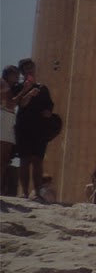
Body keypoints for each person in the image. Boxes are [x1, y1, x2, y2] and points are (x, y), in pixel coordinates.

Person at [11, 59, 56, 199]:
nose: (29, 70)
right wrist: (29, 93)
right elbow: (20, 104)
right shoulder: (18, 87)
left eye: (31, 67)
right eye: (26, 68)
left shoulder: (43, 88)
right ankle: (24, 192)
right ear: (22, 71)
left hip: (40, 128)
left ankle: (37, 192)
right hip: (24, 127)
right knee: (25, 160)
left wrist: (48, 112)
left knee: (38, 160)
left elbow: (49, 106)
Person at [0, 65, 18, 197]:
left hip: (7, 119)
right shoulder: (3, 83)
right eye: (15, 73)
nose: (17, 76)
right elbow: (10, 103)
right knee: (2, 158)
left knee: (4, 159)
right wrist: (26, 91)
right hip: (3, 118)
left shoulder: (10, 87)